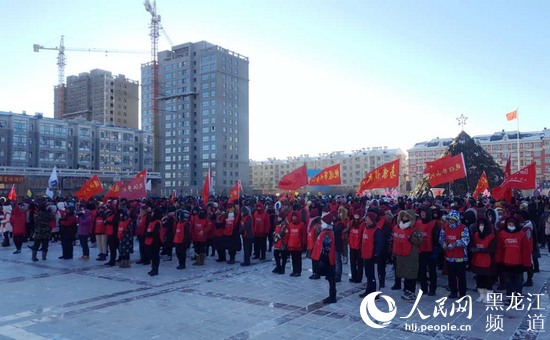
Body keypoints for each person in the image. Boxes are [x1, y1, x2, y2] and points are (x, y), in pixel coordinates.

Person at [495, 216, 532, 298]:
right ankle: (510, 298)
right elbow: (499, 249)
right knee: (508, 282)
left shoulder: (521, 234)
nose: (511, 225)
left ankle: (517, 298)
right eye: (509, 224)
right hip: (506, 262)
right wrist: (499, 261)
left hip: (518, 263)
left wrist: (526, 263)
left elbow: (526, 250)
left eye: (512, 224)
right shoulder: (502, 234)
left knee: (518, 282)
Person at [393, 210, 423, 301]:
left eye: (406, 216)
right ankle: (406, 289)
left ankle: (412, 292)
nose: (404, 218)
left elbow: (419, 241)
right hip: (401, 254)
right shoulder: (399, 227)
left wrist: (411, 239)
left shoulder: (414, 229)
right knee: (404, 273)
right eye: (403, 216)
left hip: (411, 254)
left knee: (411, 273)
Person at [440, 209, 470, 299]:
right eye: (449, 219)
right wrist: (443, 243)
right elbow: (441, 237)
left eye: (453, 220)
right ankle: (453, 291)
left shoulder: (463, 227)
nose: (451, 221)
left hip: (460, 257)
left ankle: (462, 293)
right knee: (451, 276)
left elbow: (466, 240)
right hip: (449, 256)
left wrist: (456, 243)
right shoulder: (445, 226)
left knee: (461, 277)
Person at [470, 217, 497, 303]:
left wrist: (480, 250)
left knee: (488, 279)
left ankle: (488, 295)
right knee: (479, 278)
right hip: (477, 260)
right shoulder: (475, 235)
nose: (481, 227)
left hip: (488, 261)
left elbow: (492, 249)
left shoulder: (492, 236)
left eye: (483, 225)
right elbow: (472, 244)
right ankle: (481, 294)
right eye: (480, 225)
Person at [312, 214, 337, 304]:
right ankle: (331, 296)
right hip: (327, 259)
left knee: (331, 279)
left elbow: (326, 249)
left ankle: (332, 296)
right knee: (330, 279)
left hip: (328, 260)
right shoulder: (325, 232)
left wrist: (322, 260)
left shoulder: (327, 234)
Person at [416, 206, 441, 296]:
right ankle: (424, 288)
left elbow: (437, 239)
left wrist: (435, 251)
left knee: (432, 272)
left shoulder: (434, 224)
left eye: (424, 212)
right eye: (421, 212)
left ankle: (432, 289)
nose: (422, 214)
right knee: (422, 271)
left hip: (431, 251)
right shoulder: (418, 223)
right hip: (421, 250)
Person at [359, 212, 383, 298]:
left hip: (373, 257)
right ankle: (368, 290)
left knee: (374, 275)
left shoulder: (377, 230)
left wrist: (376, 255)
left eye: (367, 218)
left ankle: (376, 294)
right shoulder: (366, 228)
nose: (365, 219)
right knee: (368, 275)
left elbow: (379, 244)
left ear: (372, 219)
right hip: (366, 255)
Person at [145, 207, 163, 276]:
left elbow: (156, 233)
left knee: (155, 256)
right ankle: (153, 268)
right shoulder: (152, 221)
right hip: (150, 241)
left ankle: (155, 269)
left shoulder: (157, 222)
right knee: (152, 256)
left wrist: (148, 234)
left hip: (155, 242)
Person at [347, 210, 364, 283]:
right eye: (355, 214)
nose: (356, 216)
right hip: (352, 245)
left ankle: (359, 277)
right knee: (352, 262)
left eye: (357, 214)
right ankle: (353, 276)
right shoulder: (351, 223)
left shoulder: (363, 224)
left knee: (359, 263)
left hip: (359, 246)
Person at [287, 212, 305, 277]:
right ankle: (294, 270)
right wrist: (287, 243)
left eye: (295, 217)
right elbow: (287, 235)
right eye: (293, 217)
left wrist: (303, 243)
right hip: (291, 245)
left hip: (298, 245)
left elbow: (303, 235)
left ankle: (298, 271)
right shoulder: (290, 225)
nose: (294, 218)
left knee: (298, 259)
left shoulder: (301, 225)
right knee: (293, 259)